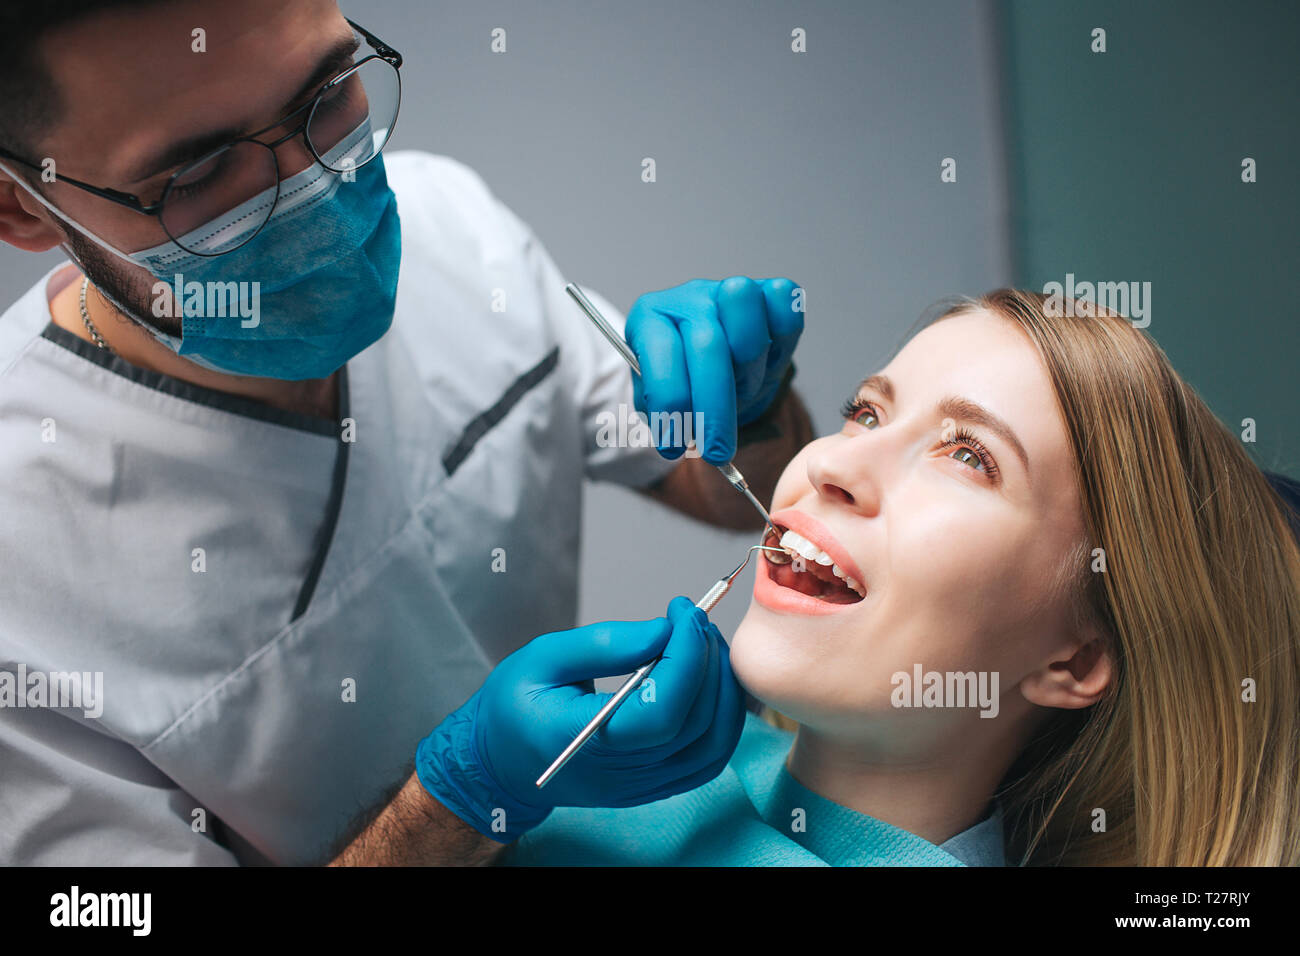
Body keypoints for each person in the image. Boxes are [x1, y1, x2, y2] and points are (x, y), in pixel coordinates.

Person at [0, 0, 814, 865]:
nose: (318, 192)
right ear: (20, 207)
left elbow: (722, 491)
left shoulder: (458, 229)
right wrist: (467, 796)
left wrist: (751, 407)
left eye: (327, 94)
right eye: (198, 175)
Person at [401, 289, 1298, 866]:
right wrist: (462, 799)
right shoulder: (606, 787)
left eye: (970, 456)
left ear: (1074, 659)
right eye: (866, 412)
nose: (832, 462)